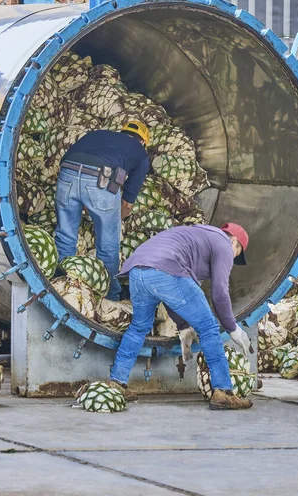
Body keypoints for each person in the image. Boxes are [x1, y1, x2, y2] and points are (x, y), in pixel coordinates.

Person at [108, 222, 254, 410]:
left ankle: (117, 382)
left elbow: (172, 296)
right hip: (166, 270)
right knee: (208, 327)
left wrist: (183, 325)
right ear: (234, 240)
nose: (232, 260)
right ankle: (223, 392)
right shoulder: (224, 243)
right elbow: (219, 293)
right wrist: (232, 327)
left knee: (139, 327)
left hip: (138, 271)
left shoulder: (196, 235)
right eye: (237, 253)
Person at [54, 120, 150, 302]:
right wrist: (115, 220)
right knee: (108, 246)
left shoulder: (98, 135)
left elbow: (67, 162)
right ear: (144, 141)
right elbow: (127, 203)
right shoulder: (141, 153)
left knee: (65, 236)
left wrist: (85, 200)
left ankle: (58, 285)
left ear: (122, 132)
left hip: (67, 174)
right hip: (100, 178)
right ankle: (111, 297)